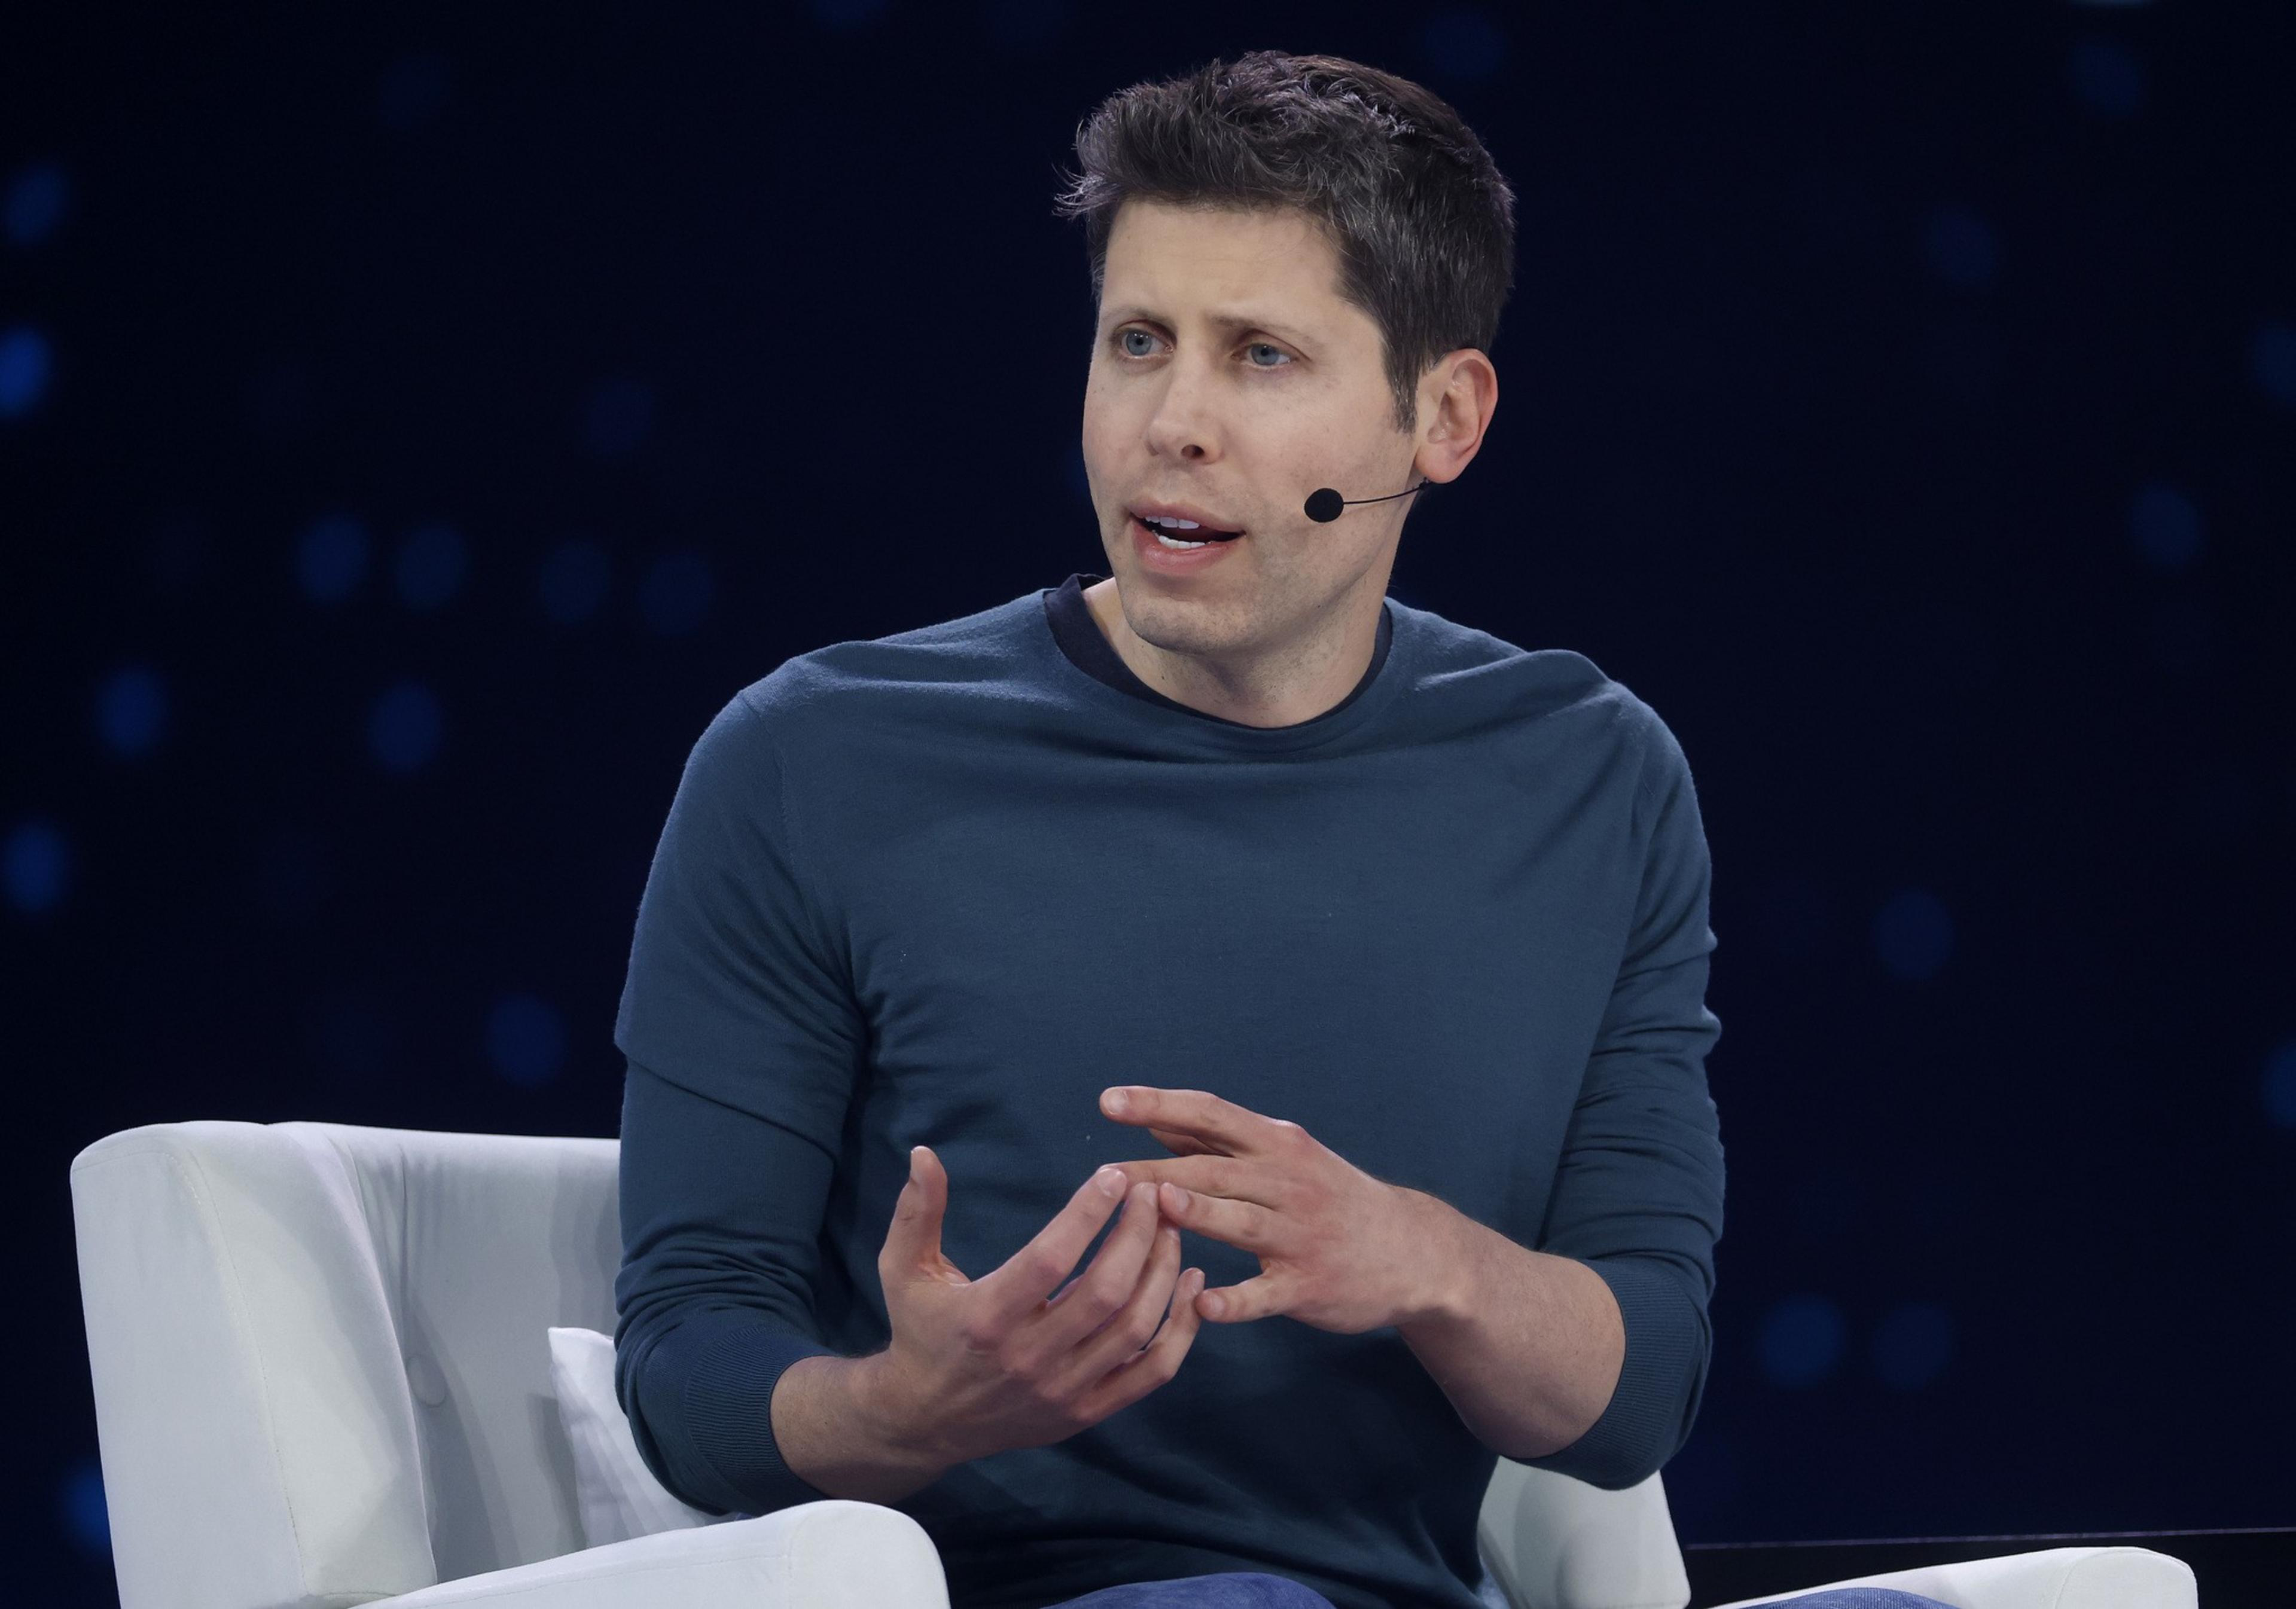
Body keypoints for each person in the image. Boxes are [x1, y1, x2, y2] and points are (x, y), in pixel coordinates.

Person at [611, 49, 1945, 1609]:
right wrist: (904, 1410)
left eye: (1257, 355)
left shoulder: (1587, 777)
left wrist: (1419, 1260)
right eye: (1135, 342)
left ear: (1439, 416)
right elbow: (689, 1360)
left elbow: (1627, 1392)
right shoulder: (818, 762)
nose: (1170, 422)